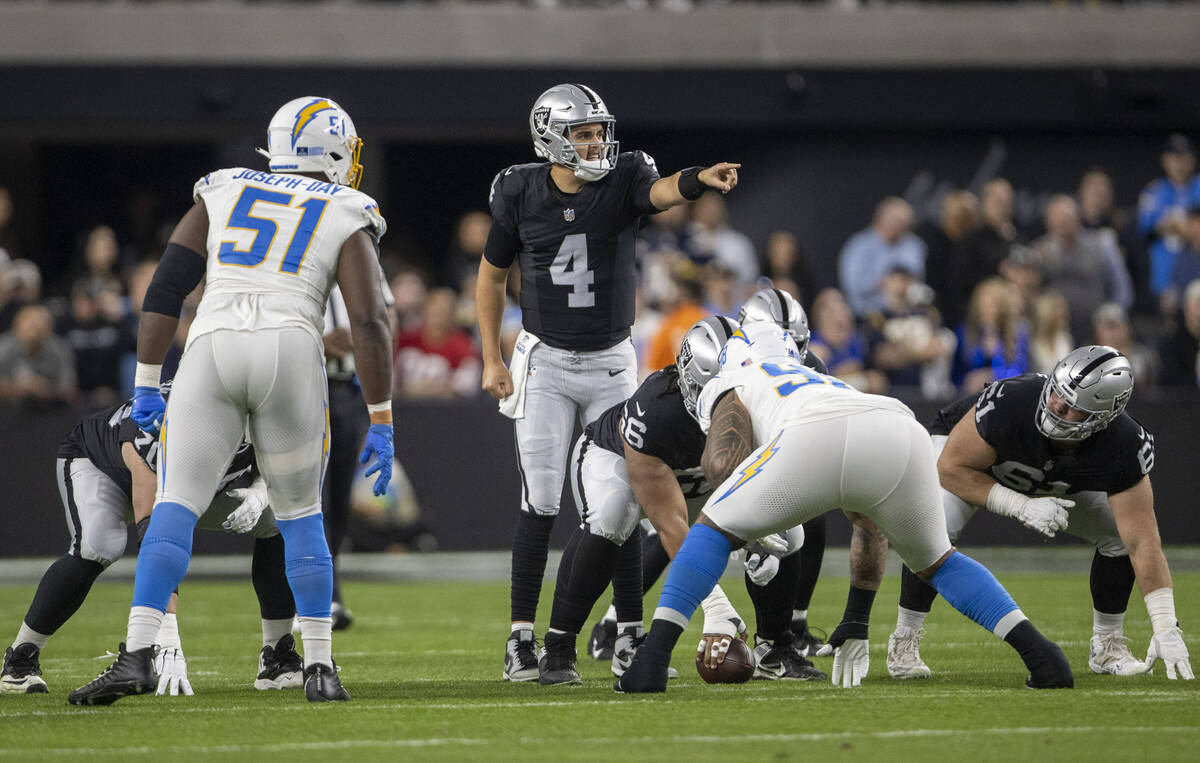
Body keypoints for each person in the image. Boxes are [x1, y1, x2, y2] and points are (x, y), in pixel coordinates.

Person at [68, 96, 395, 705]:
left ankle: (138, 654)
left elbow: (167, 284)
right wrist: (381, 416)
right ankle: (318, 667)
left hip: (212, 346)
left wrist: (144, 380)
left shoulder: (222, 188)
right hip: (291, 350)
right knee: (299, 515)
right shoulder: (345, 207)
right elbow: (371, 321)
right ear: (331, 151)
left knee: (175, 505)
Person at [615, 321, 1074, 693]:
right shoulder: (816, 376)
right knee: (938, 561)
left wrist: (744, 523)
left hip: (815, 434)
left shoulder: (734, 376)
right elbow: (867, 522)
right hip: (897, 425)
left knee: (710, 528)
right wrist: (855, 618)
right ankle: (1044, 656)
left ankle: (652, 662)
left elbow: (719, 463)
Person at [475, 83, 740, 682]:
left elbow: (661, 190)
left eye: (599, 131)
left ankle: (629, 633)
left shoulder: (623, 177)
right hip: (544, 359)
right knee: (540, 500)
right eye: (584, 133)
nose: (597, 143)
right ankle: (521, 639)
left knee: (626, 504)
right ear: (550, 137)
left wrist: (699, 177)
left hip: (613, 361)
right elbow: (490, 279)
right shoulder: (519, 189)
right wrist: (492, 357)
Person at [886, 347, 1193, 682]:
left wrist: (1165, 625)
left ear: (1104, 417)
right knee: (933, 527)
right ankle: (905, 639)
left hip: (1055, 479)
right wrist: (1020, 505)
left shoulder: (1122, 443)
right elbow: (951, 468)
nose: (1057, 407)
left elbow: (1143, 543)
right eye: (1058, 394)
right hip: (973, 460)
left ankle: (1107, 646)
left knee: (1118, 536)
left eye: (1074, 407)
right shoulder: (1014, 400)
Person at [0, 388, 300, 696]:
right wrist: (167, 634)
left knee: (276, 519)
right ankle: (20, 659)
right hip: (103, 467)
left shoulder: (269, 401)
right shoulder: (163, 420)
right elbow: (156, 531)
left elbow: (285, 466)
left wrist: (261, 493)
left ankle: (277, 659)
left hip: (188, 483)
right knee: (100, 544)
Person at [321, 278, 396, 631]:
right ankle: (298, 598)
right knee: (301, 503)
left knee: (337, 503)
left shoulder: (361, 251)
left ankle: (330, 595)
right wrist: (316, 345)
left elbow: (387, 317)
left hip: (346, 393)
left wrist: (367, 337)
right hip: (301, 388)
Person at [838, 197, 926, 317]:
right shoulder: (858, 246)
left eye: (904, 224)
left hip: (907, 315)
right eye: (896, 221)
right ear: (880, 219)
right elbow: (852, 286)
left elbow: (917, 277)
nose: (899, 228)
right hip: (868, 315)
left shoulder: (913, 245)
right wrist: (882, 283)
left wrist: (902, 283)